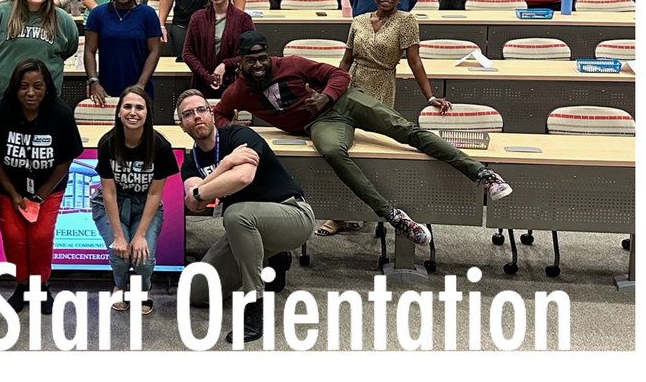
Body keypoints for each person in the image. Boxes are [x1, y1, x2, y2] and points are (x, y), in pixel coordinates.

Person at [212, 30, 513, 247]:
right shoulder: (238, 90)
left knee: (406, 131)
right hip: (320, 123)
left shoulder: (290, 64)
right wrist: (241, 136)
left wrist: (325, 96)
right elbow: (221, 115)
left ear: (269, 55)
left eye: (262, 58)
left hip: (346, 101)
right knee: (332, 152)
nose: (258, 65)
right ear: (240, 62)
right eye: (251, 61)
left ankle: (482, 173)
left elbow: (340, 77)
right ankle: (393, 216)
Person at [177, 88, 313, 344]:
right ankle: (274, 258)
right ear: (181, 124)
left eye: (201, 110)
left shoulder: (239, 135)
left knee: (235, 215)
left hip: (293, 214)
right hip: (250, 227)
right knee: (196, 290)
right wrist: (226, 164)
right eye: (188, 114)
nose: (196, 116)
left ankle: (254, 307)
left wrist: (203, 189)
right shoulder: (190, 162)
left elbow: (242, 177)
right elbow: (192, 201)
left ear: (212, 113)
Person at [316, 0, 448, 236]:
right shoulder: (359, 21)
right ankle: (339, 213)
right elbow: (346, 61)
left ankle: (362, 212)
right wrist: (332, 91)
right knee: (343, 150)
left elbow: (415, 61)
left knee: (368, 153)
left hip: (382, 88)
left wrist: (430, 96)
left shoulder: (407, 21)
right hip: (352, 87)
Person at [0, 58, 83, 313]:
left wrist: (40, 195)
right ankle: (22, 286)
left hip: (48, 188)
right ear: (14, 87)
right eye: (23, 86)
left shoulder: (60, 113)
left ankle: (41, 286)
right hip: (8, 187)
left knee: (40, 236)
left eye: (37, 86)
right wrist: (14, 194)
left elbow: (65, 159)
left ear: (47, 87)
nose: (30, 93)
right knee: (14, 238)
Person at [91, 86, 176, 314]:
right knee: (120, 257)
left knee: (143, 259)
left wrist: (139, 236)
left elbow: (155, 194)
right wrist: (119, 236)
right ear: (118, 112)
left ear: (148, 113)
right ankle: (119, 286)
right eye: (127, 106)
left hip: (144, 204)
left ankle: (143, 289)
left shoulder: (160, 146)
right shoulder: (107, 143)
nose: (133, 112)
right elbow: (108, 192)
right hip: (111, 203)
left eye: (139, 107)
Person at [83, 0, 162, 102]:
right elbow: (89, 50)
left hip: (140, 87)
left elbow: (154, 50)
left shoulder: (148, 14)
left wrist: (140, 85)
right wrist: (94, 82)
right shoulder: (98, 14)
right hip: (105, 88)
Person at [181, 0, 255, 99]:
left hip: (234, 83)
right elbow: (187, 53)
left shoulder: (244, 19)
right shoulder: (197, 18)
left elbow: (250, 53)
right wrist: (207, 77)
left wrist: (225, 65)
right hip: (202, 84)